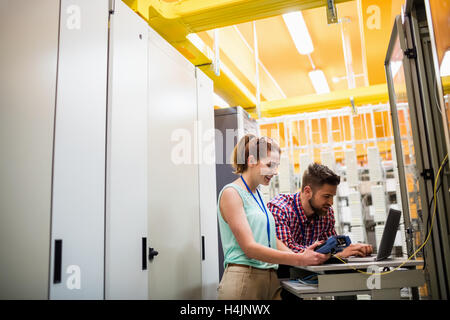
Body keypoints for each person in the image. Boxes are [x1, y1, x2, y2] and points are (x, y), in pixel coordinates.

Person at [217, 135, 330, 300]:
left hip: (270, 278)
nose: (275, 172)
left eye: (276, 166)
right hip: (243, 278)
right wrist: (298, 259)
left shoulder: (259, 196)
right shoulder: (231, 193)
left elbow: (271, 239)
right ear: (251, 161)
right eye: (270, 165)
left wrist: (303, 257)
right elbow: (250, 247)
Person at [267, 162, 373, 259]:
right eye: (326, 196)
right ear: (308, 191)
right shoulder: (280, 209)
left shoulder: (326, 213)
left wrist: (353, 248)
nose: (331, 202)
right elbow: (289, 252)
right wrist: (338, 254)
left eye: (332, 196)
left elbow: (333, 246)